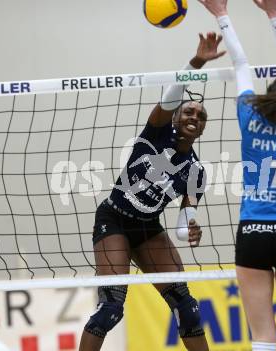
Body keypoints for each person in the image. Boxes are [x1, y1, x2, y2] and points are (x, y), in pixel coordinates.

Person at [78, 32, 225, 351]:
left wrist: (191, 228)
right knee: (111, 308)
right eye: (188, 112)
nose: (194, 117)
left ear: (202, 128)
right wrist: (198, 61)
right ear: (175, 117)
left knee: (186, 306)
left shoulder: (197, 171)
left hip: (148, 228)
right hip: (114, 219)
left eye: (200, 117)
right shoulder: (155, 132)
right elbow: (172, 94)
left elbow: (186, 221)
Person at [199, 1, 276, 350]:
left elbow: (241, 64)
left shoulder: (249, 116)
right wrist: (275, 16)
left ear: (267, 99)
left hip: (253, 231)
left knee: (261, 337)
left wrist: (222, 14)